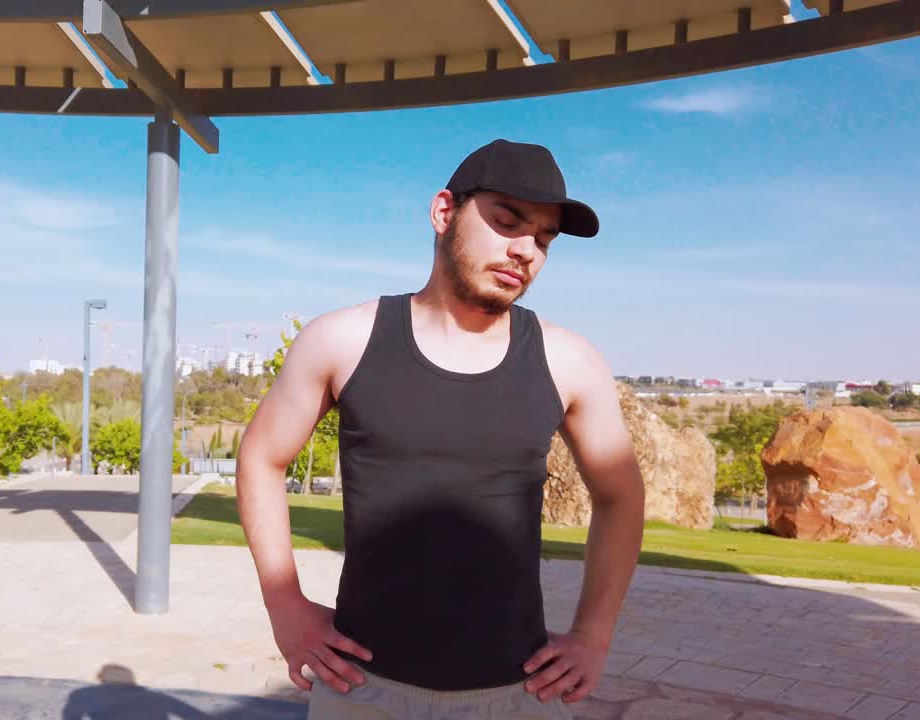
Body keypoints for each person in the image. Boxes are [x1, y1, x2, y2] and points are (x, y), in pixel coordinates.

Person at [236, 140, 645, 719]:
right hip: (362, 689)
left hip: (519, 695)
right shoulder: (342, 341)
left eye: (544, 239)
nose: (525, 250)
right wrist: (285, 605)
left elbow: (621, 496)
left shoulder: (569, 360)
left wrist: (593, 636)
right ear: (443, 212)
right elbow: (261, 457)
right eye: (508, 220)